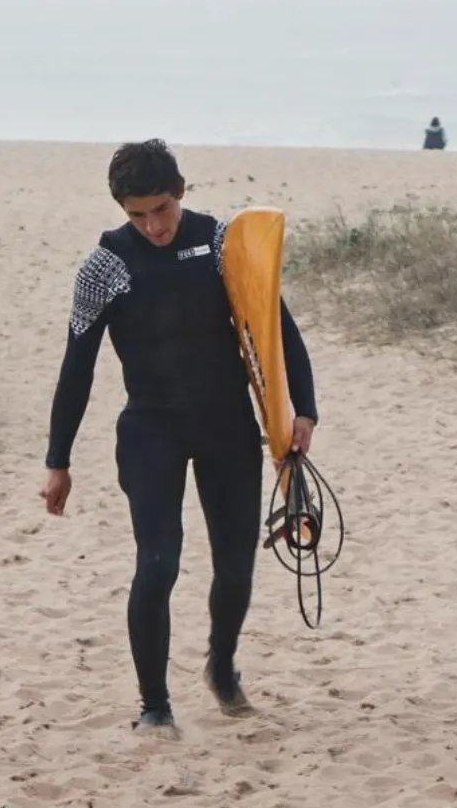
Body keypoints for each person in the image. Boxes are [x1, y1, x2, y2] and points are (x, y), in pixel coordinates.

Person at [40, 139, 321, 739]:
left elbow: (277, 327)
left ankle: (221, 668)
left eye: (161, 209)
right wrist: (57, 460)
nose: (153, 225)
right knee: (159, 562)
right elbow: (77, 368)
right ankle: (154, 704)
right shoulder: (104, 267)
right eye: (137, 214)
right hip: (151, 430)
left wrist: (304, 410)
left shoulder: (220, 244)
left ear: (181, 192)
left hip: (227, 425)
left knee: (235, 566)